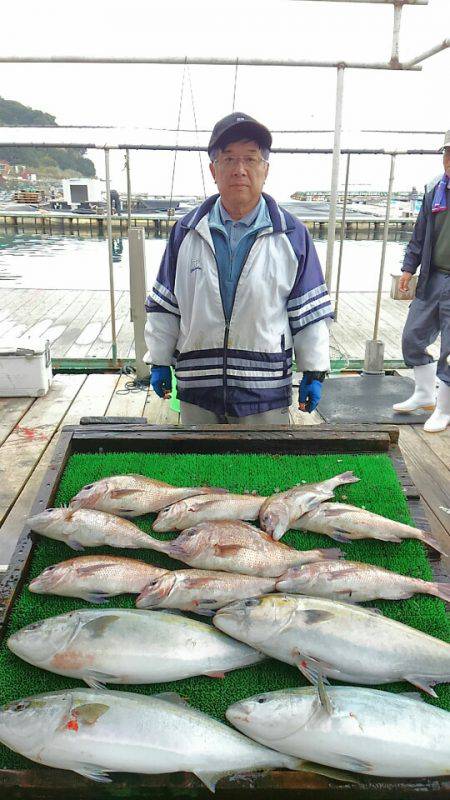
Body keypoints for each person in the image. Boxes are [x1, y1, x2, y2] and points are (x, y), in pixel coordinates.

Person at [144, 112, 332, 425]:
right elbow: (165, 306)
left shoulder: (292, 234)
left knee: (264, 471)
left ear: (265, 169)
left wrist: (314, 370)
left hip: (266, 394)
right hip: (196, 390)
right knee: (197, 472)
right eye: (228, 159)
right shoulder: (185, 231)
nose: (239, 170)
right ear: (213, 169)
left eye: (250, 159)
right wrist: (159, 361)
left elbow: (308, 312)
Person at [393, 130, 450, 433]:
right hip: (434, 276)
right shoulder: (433, 190)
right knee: (412, 337)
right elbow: (418, 236)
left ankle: (444, 408)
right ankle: (425, 395)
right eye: (447, 152)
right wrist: (407, 268)